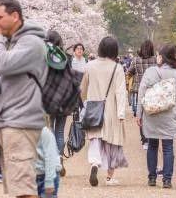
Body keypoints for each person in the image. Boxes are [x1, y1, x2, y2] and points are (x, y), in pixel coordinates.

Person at [0, 0, 48, 198]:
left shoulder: (31, 43)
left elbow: (2, 63)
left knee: (25, 184)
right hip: (10, 120)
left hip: (21, 121)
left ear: (16, 16)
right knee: (19, 186)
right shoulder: (15, 41)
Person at [80, 36, 129, 187]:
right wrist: (121, 112)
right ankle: (109, 177)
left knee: (95, 138)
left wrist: (83, 103)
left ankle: (94, 163)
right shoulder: (117, 68)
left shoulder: (90, 65)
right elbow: (121, 91)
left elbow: (83, 88)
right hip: (112, 109)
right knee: (112, 142)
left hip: (94, 108)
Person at [137, 44, 176, 189]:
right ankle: (167, 180)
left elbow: (141, 93)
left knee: (152, 145)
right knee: (168, 147)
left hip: (151, 114)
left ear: (162, 57)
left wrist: (139, 114)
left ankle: (152, 177)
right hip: (169, 115)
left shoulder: (150, 72)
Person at [45, 30, 69, 177]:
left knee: (50, 131)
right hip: (64, 99)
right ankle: (59, 159)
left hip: (49, 99)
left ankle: (52, 160)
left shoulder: (45, 57)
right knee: (60, 132)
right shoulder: (66, 58)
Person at [34, 123, 60, 198]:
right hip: (34, 176)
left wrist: (49, 181)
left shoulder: (45, 132)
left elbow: (50, 158)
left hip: (49, 175)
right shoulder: (25, 132)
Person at [127, 40, 156, 147]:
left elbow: (129, 72)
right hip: (153, 90)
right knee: (153, 113)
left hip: (140, 90)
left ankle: (144, 140)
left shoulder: (136, 60)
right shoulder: (155, 60)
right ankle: (152, 137)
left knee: (141, 115)